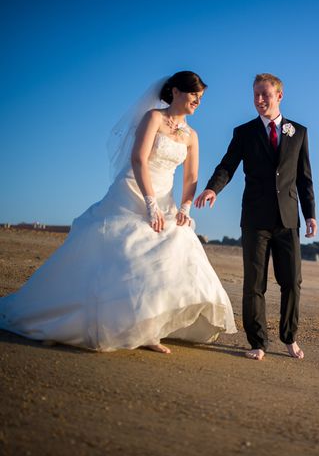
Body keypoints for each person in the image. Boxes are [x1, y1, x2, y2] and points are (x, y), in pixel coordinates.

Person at [0, 71, 237, 353]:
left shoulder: (191, 135)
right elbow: (138, 158)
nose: (198, 101)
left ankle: (149, 329)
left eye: (201, 97)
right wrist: (149, 203)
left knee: (174, 247)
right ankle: (104, 320)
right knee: (128, 247)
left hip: (167, 199)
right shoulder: (153, 118)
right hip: (135, 190)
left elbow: (191, 177)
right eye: (193, 94)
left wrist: (185, 207)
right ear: (175, 92)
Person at [195, 73, 316, 361]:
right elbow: (228, 165)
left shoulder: (298, 132)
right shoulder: (244, 132)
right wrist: (213, 188)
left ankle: (289, 337)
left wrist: (310, 214)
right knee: (254, 284)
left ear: (279, 96)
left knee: (291, 282)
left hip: (288, 219)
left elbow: (304, 178)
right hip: (255, 219)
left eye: (265, 94)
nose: (259, 100)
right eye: (255, 95)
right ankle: (258, 342)